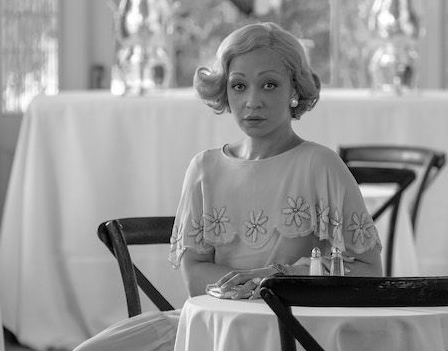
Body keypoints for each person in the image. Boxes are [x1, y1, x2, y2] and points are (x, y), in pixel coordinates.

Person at [74, 22, 382, 351]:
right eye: (238, 86)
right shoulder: (204, 169)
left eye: (269, 85)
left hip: (294, 333)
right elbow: (194, 279)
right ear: (224, 90)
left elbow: (368, 271)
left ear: (294, 90)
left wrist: (273, 277)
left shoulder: (322, 165)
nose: (252, 101)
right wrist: (258, 282)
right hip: (214, 327)